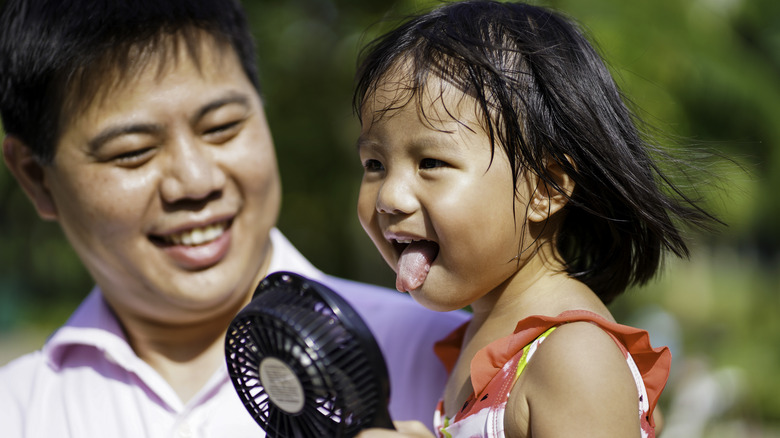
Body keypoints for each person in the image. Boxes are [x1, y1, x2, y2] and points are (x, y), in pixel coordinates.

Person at [0, 0, 470, 436]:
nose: (195, 181)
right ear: (36, 178)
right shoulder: (17, 411)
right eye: (133, 152)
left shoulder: (454, 358)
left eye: (222, 127)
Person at [352, 1, 717, 437]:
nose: (389, 197)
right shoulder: (480, 340)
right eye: (374, 164)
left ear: (547, 187)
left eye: (430, 161)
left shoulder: (573, 357)